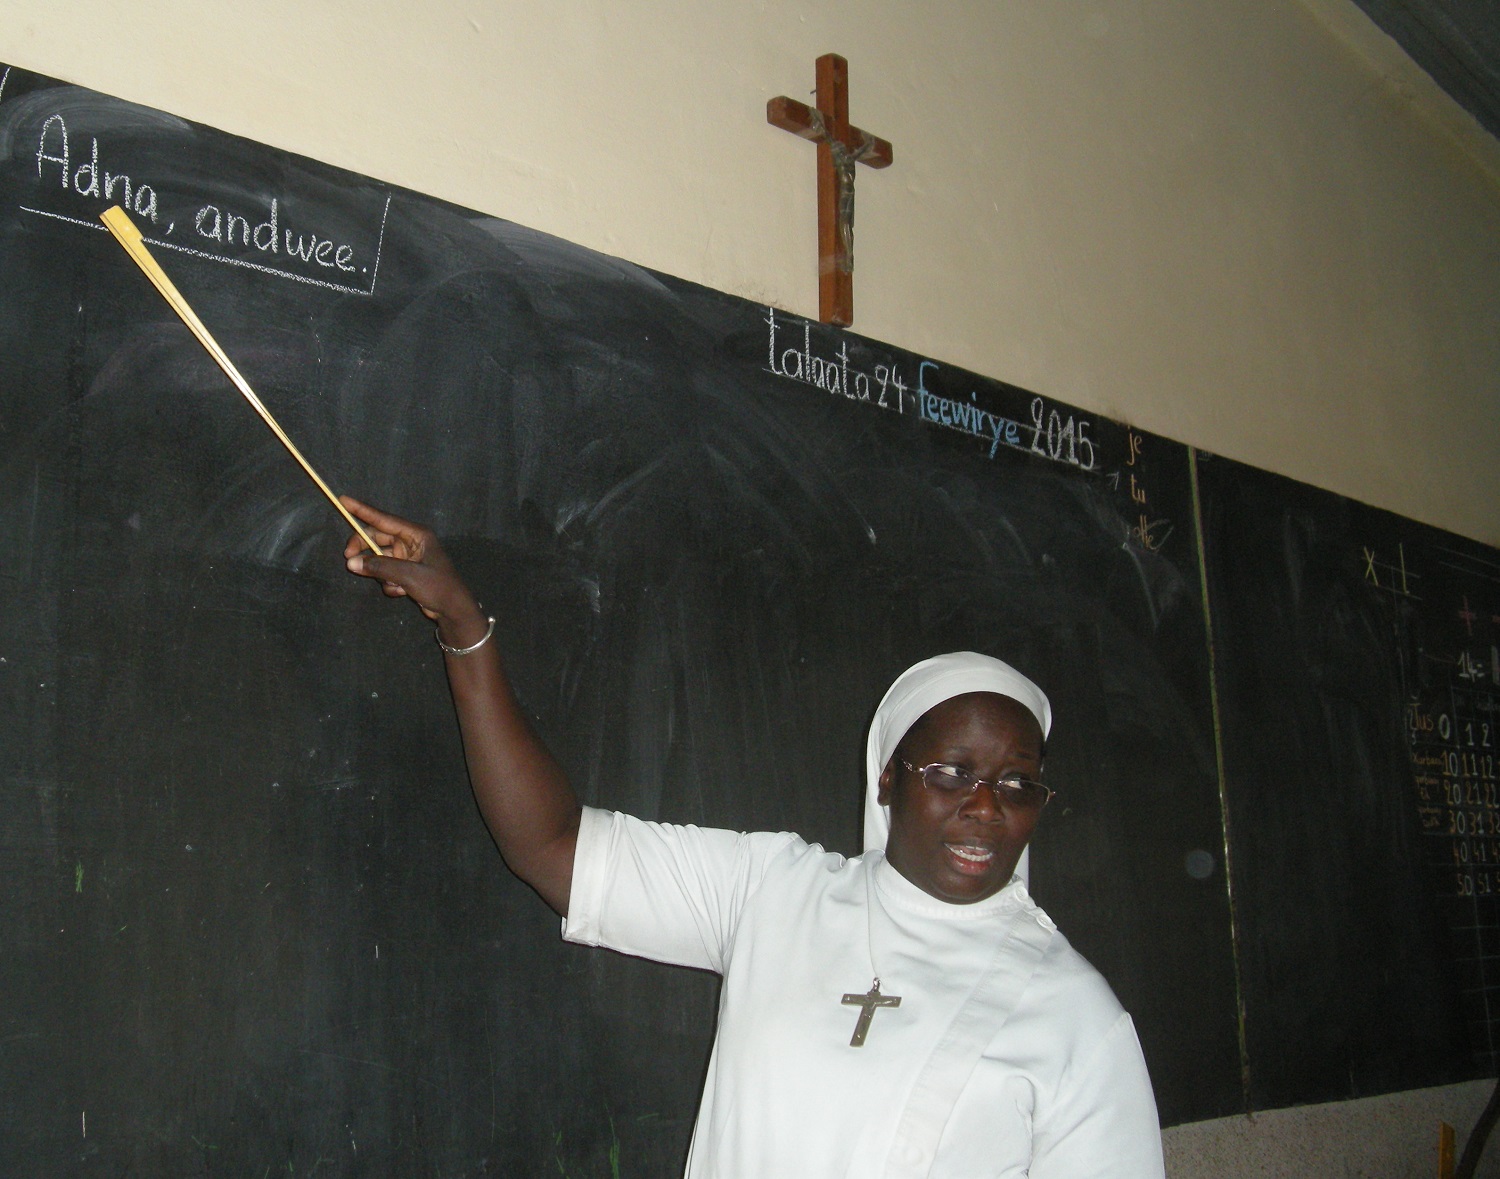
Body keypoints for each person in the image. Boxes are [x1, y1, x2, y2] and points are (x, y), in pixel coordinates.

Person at [341, 496, 1166, 1178]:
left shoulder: (1075, 1017)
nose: (987, 806)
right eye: (952, 771)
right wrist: (462, 625)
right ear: (887, 777)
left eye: (1017, 783)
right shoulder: (778, 890)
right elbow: (551, 845)